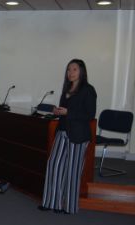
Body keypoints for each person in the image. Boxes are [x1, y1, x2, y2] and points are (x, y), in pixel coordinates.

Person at [38, 59, 97, 214]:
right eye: (68, 69)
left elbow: (90, 114)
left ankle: (69, 206)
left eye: (74, 69)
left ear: (81, 71)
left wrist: (68, 112)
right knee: (54, 165)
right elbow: (65, 111)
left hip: (78, 135)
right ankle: (51, 202)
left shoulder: (88, 90)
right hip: (62, 131)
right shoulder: (67, 89)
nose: (70, 73)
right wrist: (58, 111)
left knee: (72, 170)